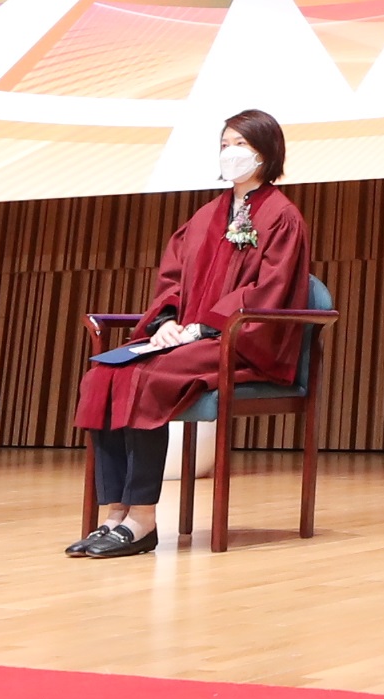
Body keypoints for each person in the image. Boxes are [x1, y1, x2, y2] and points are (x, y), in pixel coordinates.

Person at [68, 110, 310, 559]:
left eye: (242, 144)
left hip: (239, 342)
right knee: (102, 375)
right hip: (190, 339)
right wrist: (166, 323)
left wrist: (205, 326)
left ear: (267, 152)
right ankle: (113, 514)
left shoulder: (282, 217)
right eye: (225, 143)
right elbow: (173, 282)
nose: (231, 152)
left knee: (148, 379)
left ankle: (142, 520)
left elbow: (270, 290)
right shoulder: (206, 216)